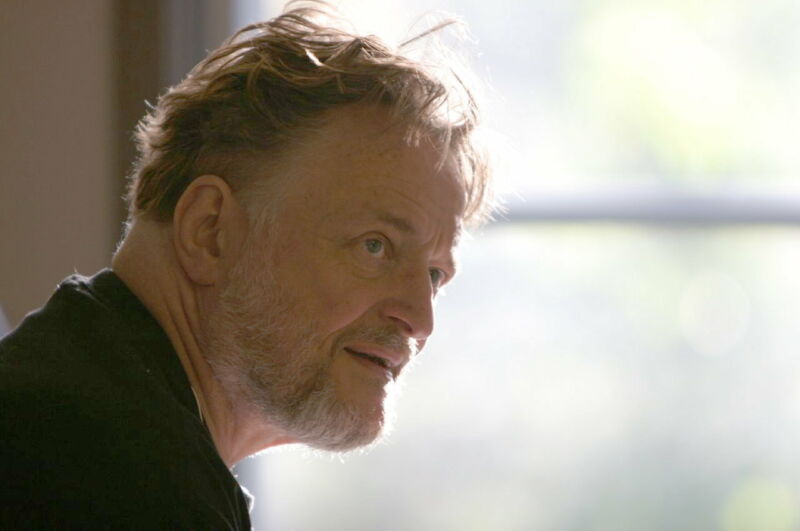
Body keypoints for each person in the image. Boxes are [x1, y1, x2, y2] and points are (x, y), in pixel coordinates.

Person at [0, 2, 492, 529]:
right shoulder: (106, 475)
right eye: (376, 246)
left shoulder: (94, 403)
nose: (420, 319)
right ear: (209, 230)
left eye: (435, 275)